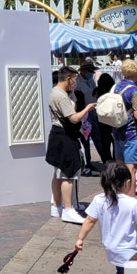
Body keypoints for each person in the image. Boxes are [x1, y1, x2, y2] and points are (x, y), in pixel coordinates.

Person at [47, 66, 96, 224]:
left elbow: (71, 108)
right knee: (68, 173)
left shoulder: (57, 92)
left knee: (58, 172)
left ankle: (56, 205)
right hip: (65, 136)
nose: (75, 84)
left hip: (58, 134)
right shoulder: (61, 96)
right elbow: (74, 118)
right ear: (68, 79)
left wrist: (72, 94)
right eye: (74, 81)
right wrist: (88, 108)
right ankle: (68, 208)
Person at [114, 59, 137, 183]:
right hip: (131, 134)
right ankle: (130, 197)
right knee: (131, 169)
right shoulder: (135, 91)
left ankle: (120, 196)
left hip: (117, 131)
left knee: (120, 168)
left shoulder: (116, 87)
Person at [75, 59, 99, 176]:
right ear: (83, 71)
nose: (91, 73)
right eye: (89, 71)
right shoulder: (77, 82)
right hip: (84, 113)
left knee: (97, 136)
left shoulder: (91, 80)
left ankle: (104, 159)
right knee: (85, 139)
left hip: (93, 111)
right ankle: (87, 162)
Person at [92, 73, 116, 163]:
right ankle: (115, 160)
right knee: (114, 141)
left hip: (101, 119)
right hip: (112, 118)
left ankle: (106, 160)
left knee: (105, 142)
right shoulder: (113, 92)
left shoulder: (97, 92)